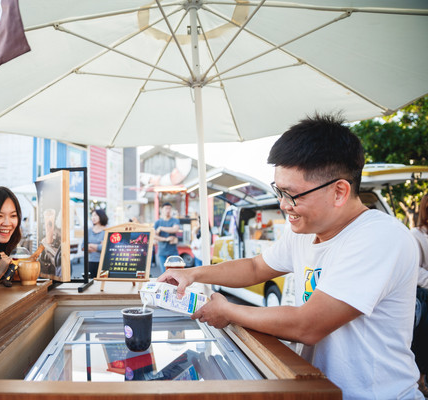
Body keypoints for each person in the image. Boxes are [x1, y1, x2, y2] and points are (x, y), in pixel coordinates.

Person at [158, 114, 422, 399]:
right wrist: (193, 274)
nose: (283, 205)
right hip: (319, 389)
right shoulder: (303, 231)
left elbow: (307, 325)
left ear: (339, 191)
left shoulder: (379, 237)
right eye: (279, 191)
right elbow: (256, 267)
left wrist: (228, 311)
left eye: (292, 194)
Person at [411, 194, 428, 396]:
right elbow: (415, 269)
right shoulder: (416, 235)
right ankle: (419, 380)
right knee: (422, 338)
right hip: (422, 295)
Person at [154, 202, 180, 272]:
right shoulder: (157, 222)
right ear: (161, 210)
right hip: (162, 251)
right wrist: (165, 239)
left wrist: (161, 228)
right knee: (164, 273)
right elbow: (154, 236)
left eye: (169, 209)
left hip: (173, 251)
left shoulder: (175, 220)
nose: (168, 210)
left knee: (176, 272)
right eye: (166, 208)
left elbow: (175, 229)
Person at [83, 209, 108, 278]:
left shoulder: (107, 230)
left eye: (95, 215)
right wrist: (98, 246)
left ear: (101, 216)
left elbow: (106, 248)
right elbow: (83, 247)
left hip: (103, 263)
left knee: (103, 282)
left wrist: (90, 245)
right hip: (90, 262)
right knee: (91, 282)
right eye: (92, 215)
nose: (93, 217)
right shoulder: (89, 230)